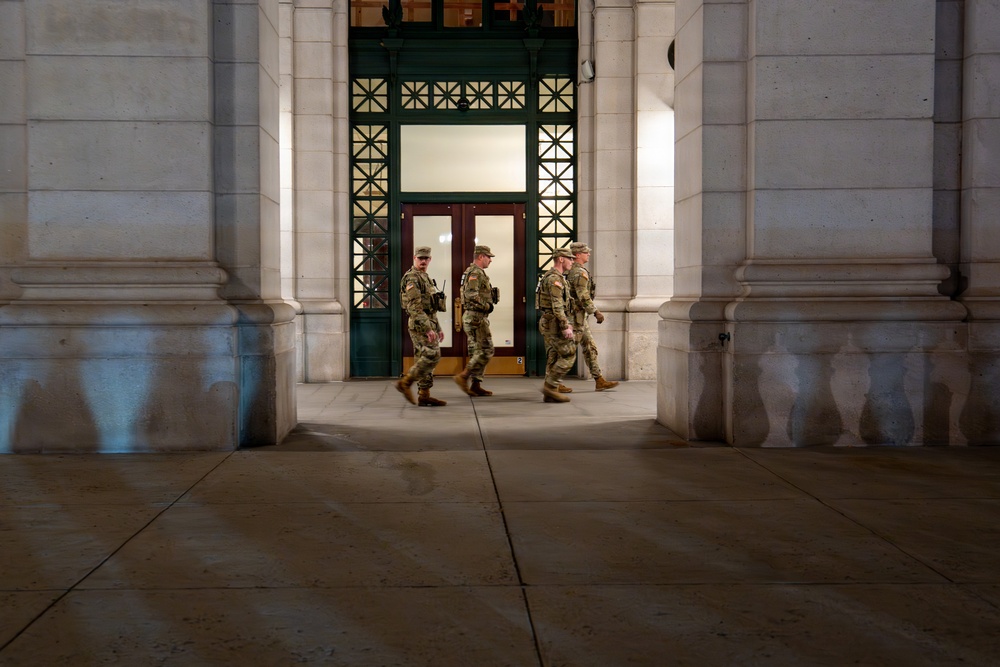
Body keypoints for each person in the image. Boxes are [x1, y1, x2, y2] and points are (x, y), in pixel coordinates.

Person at [395, 246, 447, 407]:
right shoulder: (412, 278)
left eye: (426, 258)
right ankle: (405, 382)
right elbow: (415, 307)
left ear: (430, 259)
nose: (423, 261)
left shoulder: (424, 277)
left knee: (425, 357)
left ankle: (424, 395)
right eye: (420, 258)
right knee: (432, 356)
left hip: (428, 322)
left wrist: (437, 327)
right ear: (414, 258)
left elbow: (430, 307)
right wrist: (427, 328)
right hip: (419, 325)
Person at [567, 241, 620, 391]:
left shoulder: (574, 271)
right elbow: (583, 295)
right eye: (585, 252)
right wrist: (595, 312)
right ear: (577, 255)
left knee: (590, 347)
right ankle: (553, 383)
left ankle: (599, 379)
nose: (588, 254)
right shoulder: (578, 272)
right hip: (574, 318)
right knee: (566, 351)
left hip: (579, 318)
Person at [454, 245, 497, 397]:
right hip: (476, 317)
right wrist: (487, 305)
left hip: (475, 317)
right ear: (480, 257)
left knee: (476, 351)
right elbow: (471, 294)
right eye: (488, 257)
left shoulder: (475, 272)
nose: (490, 260)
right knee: (486, 349)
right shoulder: (475, 273)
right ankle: (464, 376)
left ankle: (476, 385)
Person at [536, 247, 577, 402]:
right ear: (561, 259)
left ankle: (550, 393)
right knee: (569, 353)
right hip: (553, 323)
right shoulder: (555, 279)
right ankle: (550, 386)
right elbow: (557, 304)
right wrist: (565, 325)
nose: (572, 261)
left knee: (553, 356)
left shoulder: (553, 276)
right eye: (570, 258)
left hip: (550, 322)